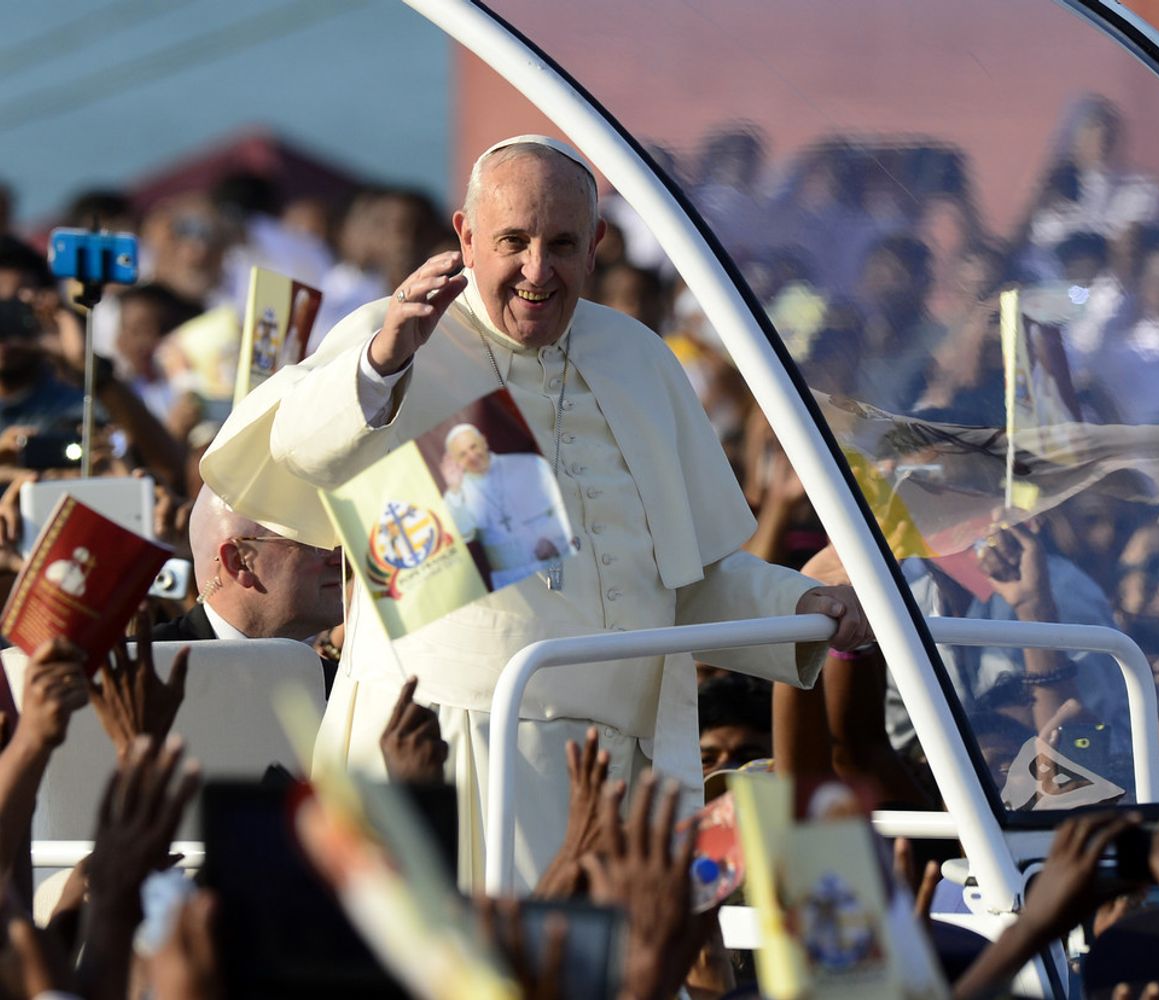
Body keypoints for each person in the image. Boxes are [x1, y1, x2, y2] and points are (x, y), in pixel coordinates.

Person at [200, 134, 870, 887]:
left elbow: (690, 579)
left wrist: (804, 603)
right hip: (442, 751)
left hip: (611, 769)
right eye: (513, 241)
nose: (536, 271)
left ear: (597, 248)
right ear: (466, 236)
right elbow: (298, 451)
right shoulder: (399, 335)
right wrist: (383, 363)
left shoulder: (641, 359)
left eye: (561, 244)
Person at [154, 485, 344, 691]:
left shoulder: (339, 690)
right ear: (240, 562)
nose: (341, 560)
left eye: (340, 541)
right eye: (315, 543)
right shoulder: (144, 673)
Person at [440, 422, 567, 588]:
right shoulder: (456, 494)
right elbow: (462, 534)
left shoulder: (529, 464)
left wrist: (553, 540)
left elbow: (564, 506)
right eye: (463, 454)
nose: (472, 456)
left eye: (474, 446)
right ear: (455, 461)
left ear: (484, 441)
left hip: (557, 562)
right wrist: (455, 490)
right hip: (510, 580)